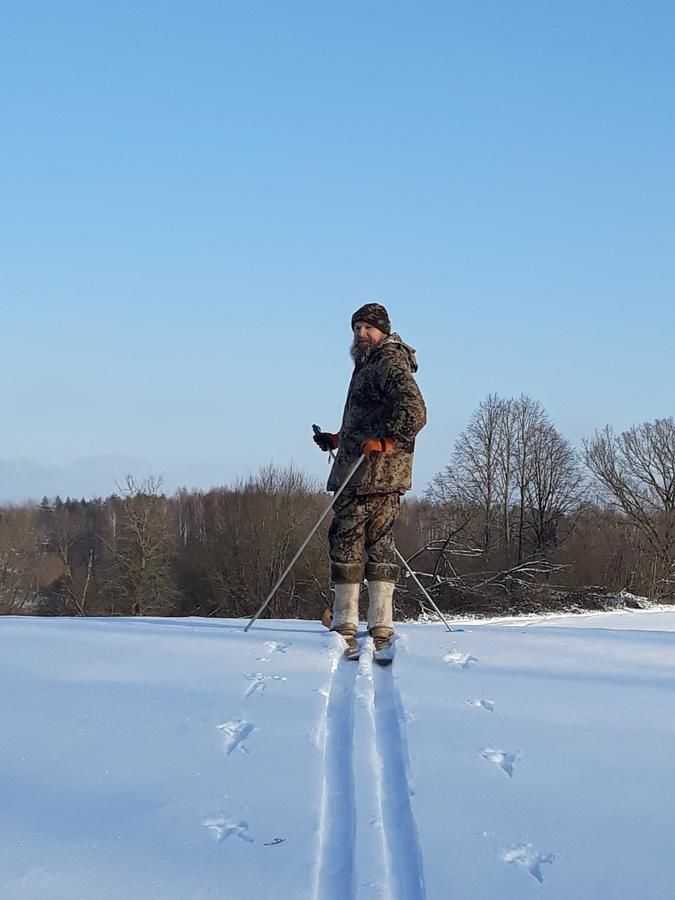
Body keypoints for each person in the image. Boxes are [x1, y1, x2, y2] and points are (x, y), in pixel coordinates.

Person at [313, 302, 427, 661]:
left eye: (368, 329)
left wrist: (387, 442)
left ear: (383, 330)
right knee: (379, 544)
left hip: (371, 473)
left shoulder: (387, 362)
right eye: (357, 328)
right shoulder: (369, 364)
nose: (362, 334)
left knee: (347, 541)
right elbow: (368, 420)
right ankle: (380, 625)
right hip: (366, 468)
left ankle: (346, 624)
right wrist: (338, 439)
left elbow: (414, 410)